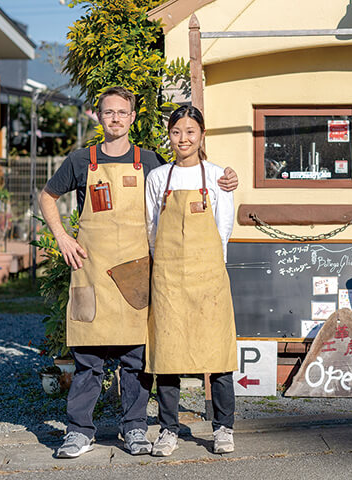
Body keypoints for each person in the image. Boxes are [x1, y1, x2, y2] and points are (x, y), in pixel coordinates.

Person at [38, 87, 238, 459]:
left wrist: (227, 178)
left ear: (132, 118)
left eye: (122, 112)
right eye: (108, 112)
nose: (115, 118)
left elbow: (186, 210)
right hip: (92, 271)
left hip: (135, 273)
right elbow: (47, 196)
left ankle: (134, 429)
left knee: (135, 360)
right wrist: (62, 237)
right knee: (87, 360)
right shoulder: (81, 161)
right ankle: (79, 432)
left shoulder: (150, 162)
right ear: (99, 117)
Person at [145, 105, 238, 457]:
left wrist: (211, 269)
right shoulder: (158, 178)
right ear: (169, 136)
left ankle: (223, 428)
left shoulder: (216, 177)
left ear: (201, 136)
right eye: (176, 132)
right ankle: (168, 430)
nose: (183, 139)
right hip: (168, 277)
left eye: (190, 132)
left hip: (209, 276)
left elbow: (224, 229)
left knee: (218, 356)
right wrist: (163, 267)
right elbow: (152, 228)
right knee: (168, 357)